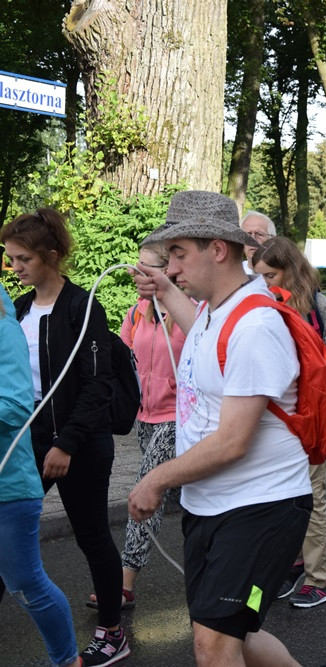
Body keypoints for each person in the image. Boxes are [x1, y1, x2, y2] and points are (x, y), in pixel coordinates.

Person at [127, 190, 312, 666]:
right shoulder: (218, 309)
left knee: (214, 645)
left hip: (260, 507)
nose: (170, 268)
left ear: (218, 249)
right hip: (212, 505)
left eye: (178, 253)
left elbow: (232, 442)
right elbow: (205, 337)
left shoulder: (255, 326)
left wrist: (156, 478)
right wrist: (167, 293)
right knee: (233, 634)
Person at [2, 208, 129, 666]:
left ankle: (112, 633)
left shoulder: (82, 307)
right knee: (7, 539)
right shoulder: (15, 309)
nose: (14, 268)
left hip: (80, 444)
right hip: (29, 444)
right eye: (10, 259)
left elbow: (100, 386)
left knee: (92, 536)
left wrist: (66, 443)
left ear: (51, 256)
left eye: (22, 260)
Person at [251, 236, 326, 609]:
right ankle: (292, 565)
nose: (265, 283)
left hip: (314, 422)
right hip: (275, 423)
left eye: (271, 274)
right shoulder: (260, 307)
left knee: (312, 499)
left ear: (291, 270)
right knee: (279, 500)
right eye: (258, 276)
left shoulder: (318, 306)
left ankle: (319, 579)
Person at [96, 243, 186, 612]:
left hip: (178, 418)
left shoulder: (190, 313)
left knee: (145, 491)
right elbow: (121, 361)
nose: (135, 275)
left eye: (144, 269)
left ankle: (124, 583)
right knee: (189, 501)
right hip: (144, 417)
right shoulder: (136, 314)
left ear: (165, 273)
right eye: (135, 268)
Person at [0, 283, 79, 667]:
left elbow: (16, 405)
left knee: (25, 583)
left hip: (8, 487)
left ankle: (67, 661)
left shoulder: (3, 323)